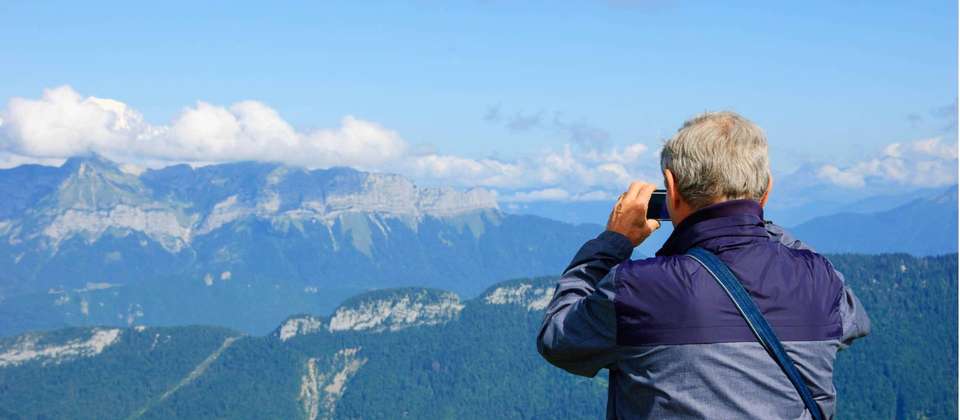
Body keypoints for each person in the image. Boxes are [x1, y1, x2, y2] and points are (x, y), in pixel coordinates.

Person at [536, 111, 870, 419]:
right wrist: (753, 221)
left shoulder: (638, 289)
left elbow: (559, 338)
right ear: (766, 190)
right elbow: (855, 321)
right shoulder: (820, 281)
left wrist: (613, 242)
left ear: (671, 188)